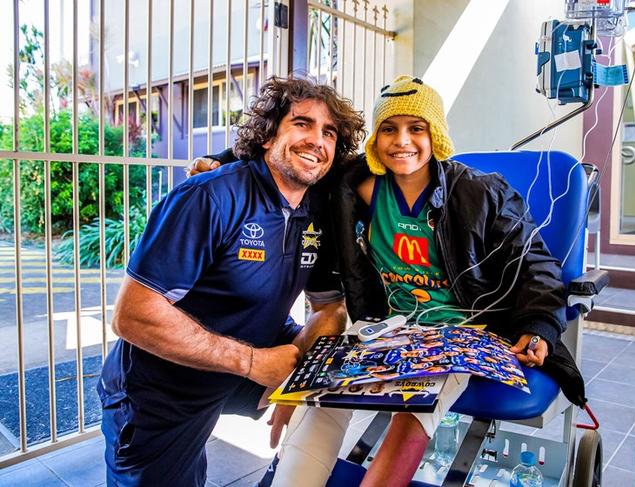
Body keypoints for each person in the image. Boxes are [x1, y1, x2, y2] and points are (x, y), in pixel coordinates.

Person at [191, 76, 586, 487]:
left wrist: (539, 325)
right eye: (388, 129)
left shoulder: (482, 192)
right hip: (382, 324)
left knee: (415, 408)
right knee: (320, 403)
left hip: (456, 333)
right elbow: (292, 155)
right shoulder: (351, 184)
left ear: (436, 136)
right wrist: (223, 162)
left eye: (417, 128)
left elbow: (535, 264)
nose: (402, 141)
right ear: (375, 139)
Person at [96, 76, 365, 487]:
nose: (316, 140)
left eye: (328, 132)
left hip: (240, 357)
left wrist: (295, 384)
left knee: (339, 387)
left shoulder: (317, 209)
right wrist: (256, 364)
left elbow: (329, 308)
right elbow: (133, 316)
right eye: (302, 124)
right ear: (267, 135)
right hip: (161, 391)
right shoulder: (211, 196)